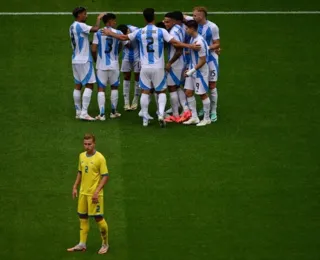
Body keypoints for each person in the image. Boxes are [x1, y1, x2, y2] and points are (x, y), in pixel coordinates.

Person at [103, 8, 200, 127]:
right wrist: (190, 46)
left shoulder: (140, 32)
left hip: (145, 67)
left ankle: (144, 118)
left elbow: (124, 38)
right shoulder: (161, 31)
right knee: (162, 91)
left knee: (145, 91)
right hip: (158, 67)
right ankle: (160, 114)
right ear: (154, 17)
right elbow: (175, 43)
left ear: (144, 18)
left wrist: (110, 33)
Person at [67, 134, 110, 254]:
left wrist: (97, 192)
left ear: (94, 143)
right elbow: (80, 172)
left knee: (98, 218)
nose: (87, 146)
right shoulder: (81, 156)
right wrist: (75, 186)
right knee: (82, 217)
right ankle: (82, 244)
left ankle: (105, 244)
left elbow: (105, 176)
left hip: (94, 194)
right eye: (85, 144)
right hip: (83, 193)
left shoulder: (100, 158)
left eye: (89, 144)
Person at [185, 6, 220, 122]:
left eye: (195, 15)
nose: (193, 17)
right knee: (195, 89)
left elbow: (217, 44)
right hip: (198, 59)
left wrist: (204, 48)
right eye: (193, 15)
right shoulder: (193, 24)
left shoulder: (213, 27)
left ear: (202, 16)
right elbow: (181, 16)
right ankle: (200, 113)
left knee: (211, 86)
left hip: (210, 60)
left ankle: (213, 111)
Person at [69, 7, 104, 121]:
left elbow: (80, 39)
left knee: (78, 85)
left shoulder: (72, 26)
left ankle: (78, 111)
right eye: (85, 14)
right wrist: (99, 18)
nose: (86, 16)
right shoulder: (81, 25)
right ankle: (84, 112)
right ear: (79, 15)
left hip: (75, 59)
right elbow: (96, 28)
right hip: (84, 59)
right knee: (89, 85)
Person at [92, 13, 126, 120]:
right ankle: (113, 112)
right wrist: (117, 53)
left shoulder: (98, 32)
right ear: (109, 21)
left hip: (101, 65)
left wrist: (96, 60)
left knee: (101, 89)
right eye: (114, 21)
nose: (115, 23)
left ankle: (101, 114)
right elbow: (123, 44)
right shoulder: (119, 33)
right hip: (114, 65)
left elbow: (93, 49)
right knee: (114, 87)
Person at [183, 20, 211, 127]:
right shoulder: (192, 39)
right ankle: (194, 117)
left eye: (187, 28)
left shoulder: (199, 42)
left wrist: (191, 71)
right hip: (193, 71)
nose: (186, 30)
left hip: (200, 72)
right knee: (188, 92)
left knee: (202, 94)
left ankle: (207, 118)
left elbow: (203, 60)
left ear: (192, 29)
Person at [163, 12, 190, 123]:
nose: (165, 23)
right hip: (182, 62)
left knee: (172, 88)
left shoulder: (173, 32)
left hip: (176, 63)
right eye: (164, 21)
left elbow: (178, 50)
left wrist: (169, 63)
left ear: (174, 21)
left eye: (167, 21)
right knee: (178, 86)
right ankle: (186, 110)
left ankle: (175, 114)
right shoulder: (180, 27)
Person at [117, 24, 141, 111]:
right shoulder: (120, 34)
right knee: (126, 77)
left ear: (128, 30)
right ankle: (126, 102)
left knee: (137, 78)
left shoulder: (137, 30)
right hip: (126, 57)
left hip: (137, 57)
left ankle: (135, 100)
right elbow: (127, 44)